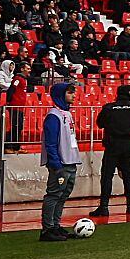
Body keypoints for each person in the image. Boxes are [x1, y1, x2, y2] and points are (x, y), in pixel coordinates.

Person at [39, 81, 79, 242]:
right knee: (54, 194)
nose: (74, 95)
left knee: (63, 195)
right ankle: (47, 229)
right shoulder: (53, 116)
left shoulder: (66, 114)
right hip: (60, 163)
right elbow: (51, 142)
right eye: (70, 93)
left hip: (70, 161)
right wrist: (56, 164)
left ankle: (55, 225)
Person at [94, 84, 130, 216]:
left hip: (112, 145)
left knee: (107, 176)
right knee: (128, 176)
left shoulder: (109, 107)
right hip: (128, 146)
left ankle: (104, 207)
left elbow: (100, 123)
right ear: (128, 93)